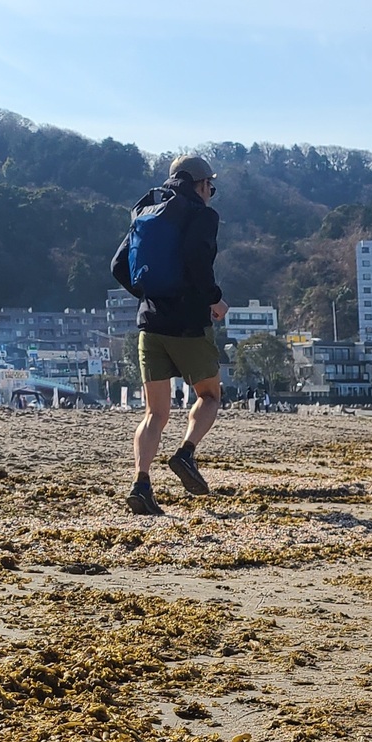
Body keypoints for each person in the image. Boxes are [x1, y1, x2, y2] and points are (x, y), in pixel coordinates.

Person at [111, 154, 228, 515]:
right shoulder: (202, 214)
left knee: (154, 413)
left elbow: (118, 266)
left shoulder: (146, 210)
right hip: (189, 323)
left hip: (150, 324)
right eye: (211, 185)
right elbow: (196, 260)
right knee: (209, 396)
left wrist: (149, 295)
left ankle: (141, 484)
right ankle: (186, 454)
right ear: (200, 183)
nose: (211, 191)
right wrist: (215, 299)